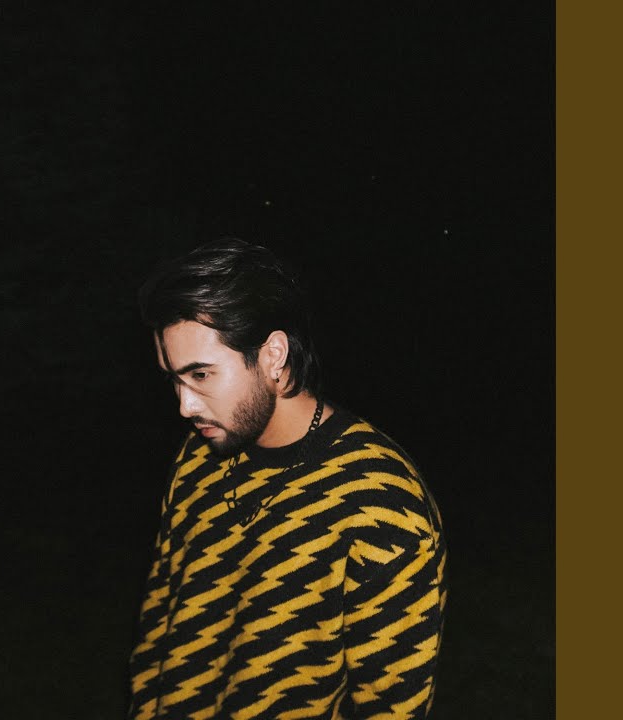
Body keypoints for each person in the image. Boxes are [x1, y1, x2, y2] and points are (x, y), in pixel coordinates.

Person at [127, 238, 448, 719]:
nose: (185, 406)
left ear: (273, 355)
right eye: (174, 379)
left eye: (202, 375)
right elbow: (160, 619)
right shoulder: (199, 456)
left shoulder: (382, 501)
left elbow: (391, 706)